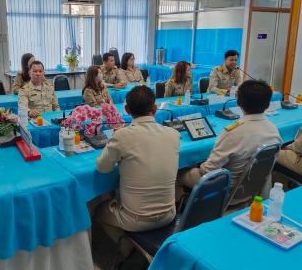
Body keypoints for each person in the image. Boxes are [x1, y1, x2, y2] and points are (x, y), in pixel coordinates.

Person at [95, 86, 180, 247]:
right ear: (154, 109)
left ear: (126, 109)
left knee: (98, 210)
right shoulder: (173, 134)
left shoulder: (122, 136)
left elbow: (102, 168)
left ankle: (127, 252)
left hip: (135, 220)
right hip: (169, 214)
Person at [177, 79, 282, 195]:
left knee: (177, 172)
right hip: (253, 188)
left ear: (239, 103)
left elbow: (207, 170)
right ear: (267, 104)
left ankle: (184, 206)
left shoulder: (233, 133)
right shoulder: (274, 131)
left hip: (226, 188)